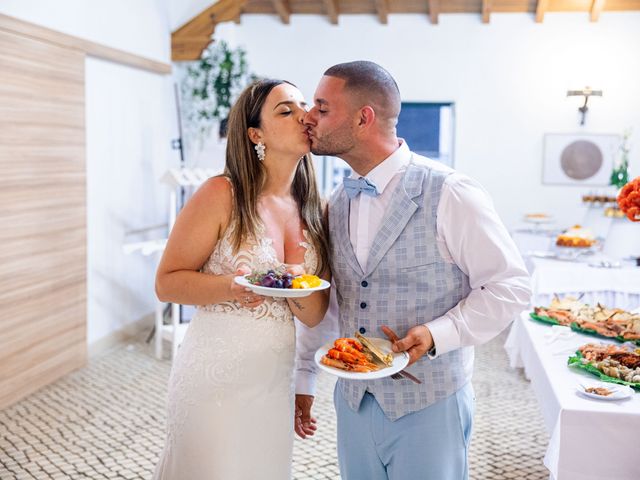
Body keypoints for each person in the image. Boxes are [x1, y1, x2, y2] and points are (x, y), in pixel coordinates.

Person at [295, 61, 531, 479]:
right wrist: (305, 376)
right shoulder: (338, 200)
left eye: (322, 107)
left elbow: (509, 286)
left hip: (430, 404)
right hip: (353, 401)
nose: (309, 117)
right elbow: (333, 300)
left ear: (363, 117)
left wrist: (438, 334)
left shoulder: (452, 192)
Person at [153, 79, 331, 480]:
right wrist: (230, 287)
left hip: (272, 382)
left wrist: (296, 278)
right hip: (213, 378)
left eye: (304, 106)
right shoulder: (221, 194)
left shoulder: (317, 209)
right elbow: (166, 282)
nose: (304, 115)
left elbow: (315, 313)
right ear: (255, 134)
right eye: (285, 111)